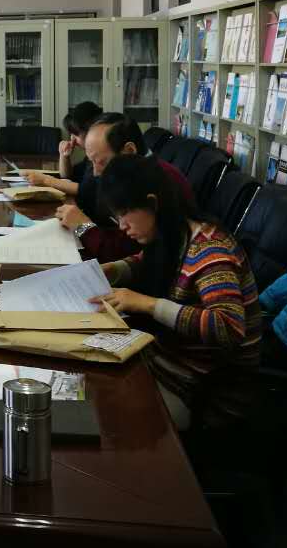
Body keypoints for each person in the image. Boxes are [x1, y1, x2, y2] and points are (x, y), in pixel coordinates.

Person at [87, 155, 262, 429]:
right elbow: (149, 261)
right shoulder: (172, 233)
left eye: (124, 214)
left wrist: (147, 304)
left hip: (204, 387)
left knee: (105, 417)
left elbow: (228, 327)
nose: (121, 226)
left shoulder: (209, 251)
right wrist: (115, 269)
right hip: (168, 361)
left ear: (152, 203)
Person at [55, 113, 195, 262]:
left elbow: (121, 249)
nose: (95, 173)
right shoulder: (132, 174)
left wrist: (82, 226)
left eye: (101, 162)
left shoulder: (158, 181)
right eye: (92, 162)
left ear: (129, 151)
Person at [24, 101, 103, 199]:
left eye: (76, 134)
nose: (72, 139)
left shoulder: (102, 157)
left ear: (92, 130)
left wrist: (46, 180)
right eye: (71, 134)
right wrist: (64, 156)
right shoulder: (89, 157)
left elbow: (88, 190)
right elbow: (68, 177)